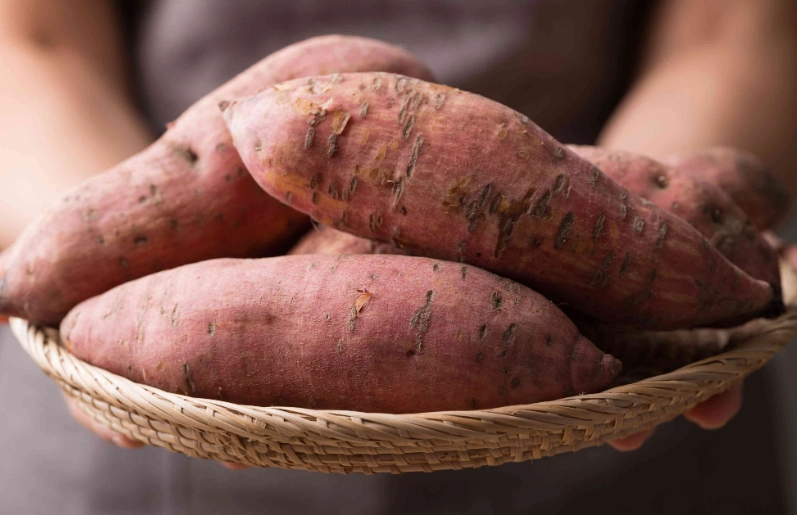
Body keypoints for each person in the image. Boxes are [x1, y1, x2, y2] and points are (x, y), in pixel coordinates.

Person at [1, 0, 795, 513]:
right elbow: (31, 40)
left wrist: (629, 284)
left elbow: (733, 29)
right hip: (151, 432)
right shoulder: (269, 133)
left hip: (602, 408)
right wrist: (104, 293)